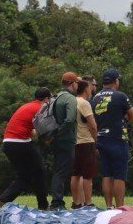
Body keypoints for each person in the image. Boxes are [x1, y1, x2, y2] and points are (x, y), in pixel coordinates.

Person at [0, 87, 52, 211]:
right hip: (20, 143)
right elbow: (44, 132)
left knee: (24, 177)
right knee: (40, 170)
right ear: (46, 99)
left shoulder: (28, 106)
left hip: (8, 143)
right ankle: (43, 205)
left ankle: (2, 200)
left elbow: (31, 131)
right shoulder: (40, 108)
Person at [92, 68, 133, 209]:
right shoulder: (120, 96)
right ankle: (120, 207)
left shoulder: (95, 97)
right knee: (119, 175)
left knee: (106, 173)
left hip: (101, 138)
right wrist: (124, 120)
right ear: (115, 81)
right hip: (118, 138)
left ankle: (109, 206)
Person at [49, 72, 80, 210]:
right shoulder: (70, 99)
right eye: (77, 83)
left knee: (58, 170)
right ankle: (57, 202)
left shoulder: (55, 97)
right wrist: (58, 133)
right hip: (65, 139)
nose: (77, 85)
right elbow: (69, 120)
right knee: (61, 171)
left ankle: (56, 200)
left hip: (55, 140)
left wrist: (53, 135)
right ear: (72, 83)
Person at [70, 79, 98, 208]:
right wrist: (95, 141)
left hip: (74, 141)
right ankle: (88, 202)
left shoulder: (72, 101)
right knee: (88, 175)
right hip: (86, 141)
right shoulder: (84, 103)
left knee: (76, 173)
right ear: (86, 88)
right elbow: (92, 125)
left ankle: (76, 202)